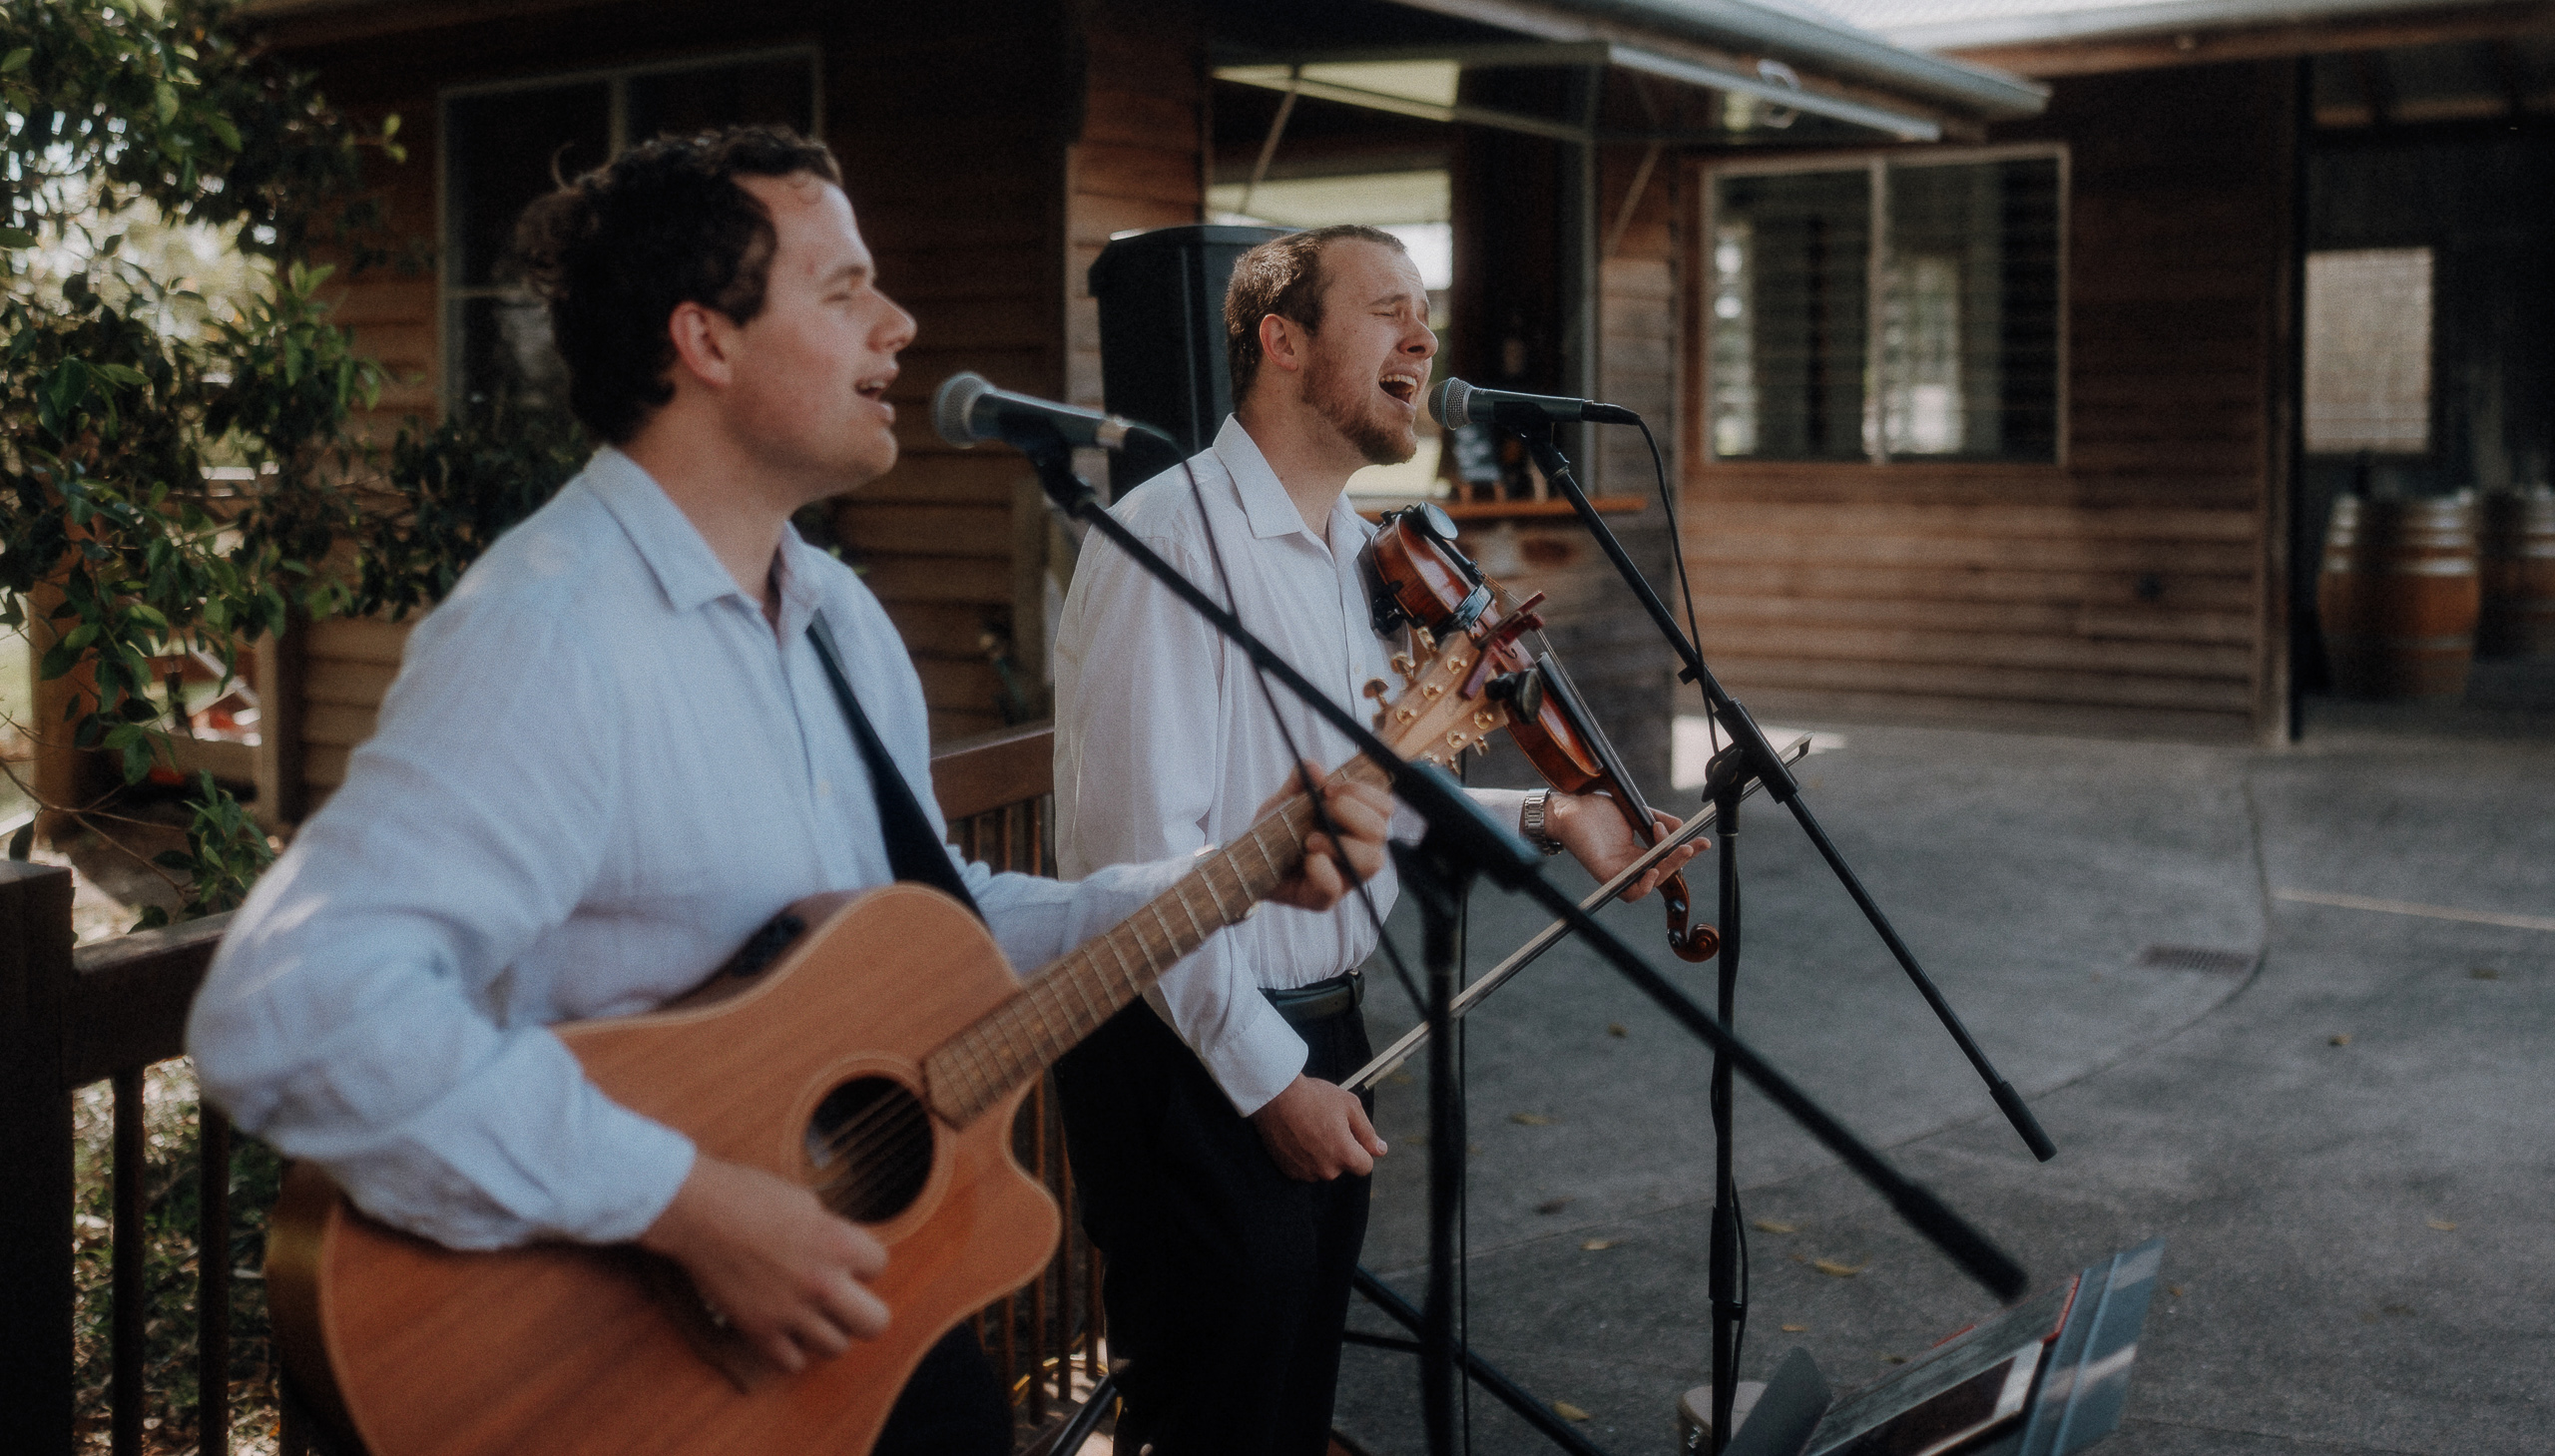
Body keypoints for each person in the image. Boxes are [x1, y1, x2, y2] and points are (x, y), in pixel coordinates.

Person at [184, 130, 1390, 1454]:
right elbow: (285, 1008)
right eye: (843, 290)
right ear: (705, 340)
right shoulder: (551, 631)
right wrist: (687, 1204)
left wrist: (1231, 873)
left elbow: (943, 918)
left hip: (850, 1335)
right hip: (622, 1366)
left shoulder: (837, 621)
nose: (900, 321)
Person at [1048, 225, 1699, 1456]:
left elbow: (1369, 795)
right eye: (1386, 311)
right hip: (1196, 1051)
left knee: (1289, 1409)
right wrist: (1266, 1080)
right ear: (1282, 342)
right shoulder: (1167, 541)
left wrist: (1553, 817)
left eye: (1427, 314)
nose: (1423, 338)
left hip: (1321, 1030)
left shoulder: (1362, 552)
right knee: (1216, 1422)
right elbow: (1133, 866)